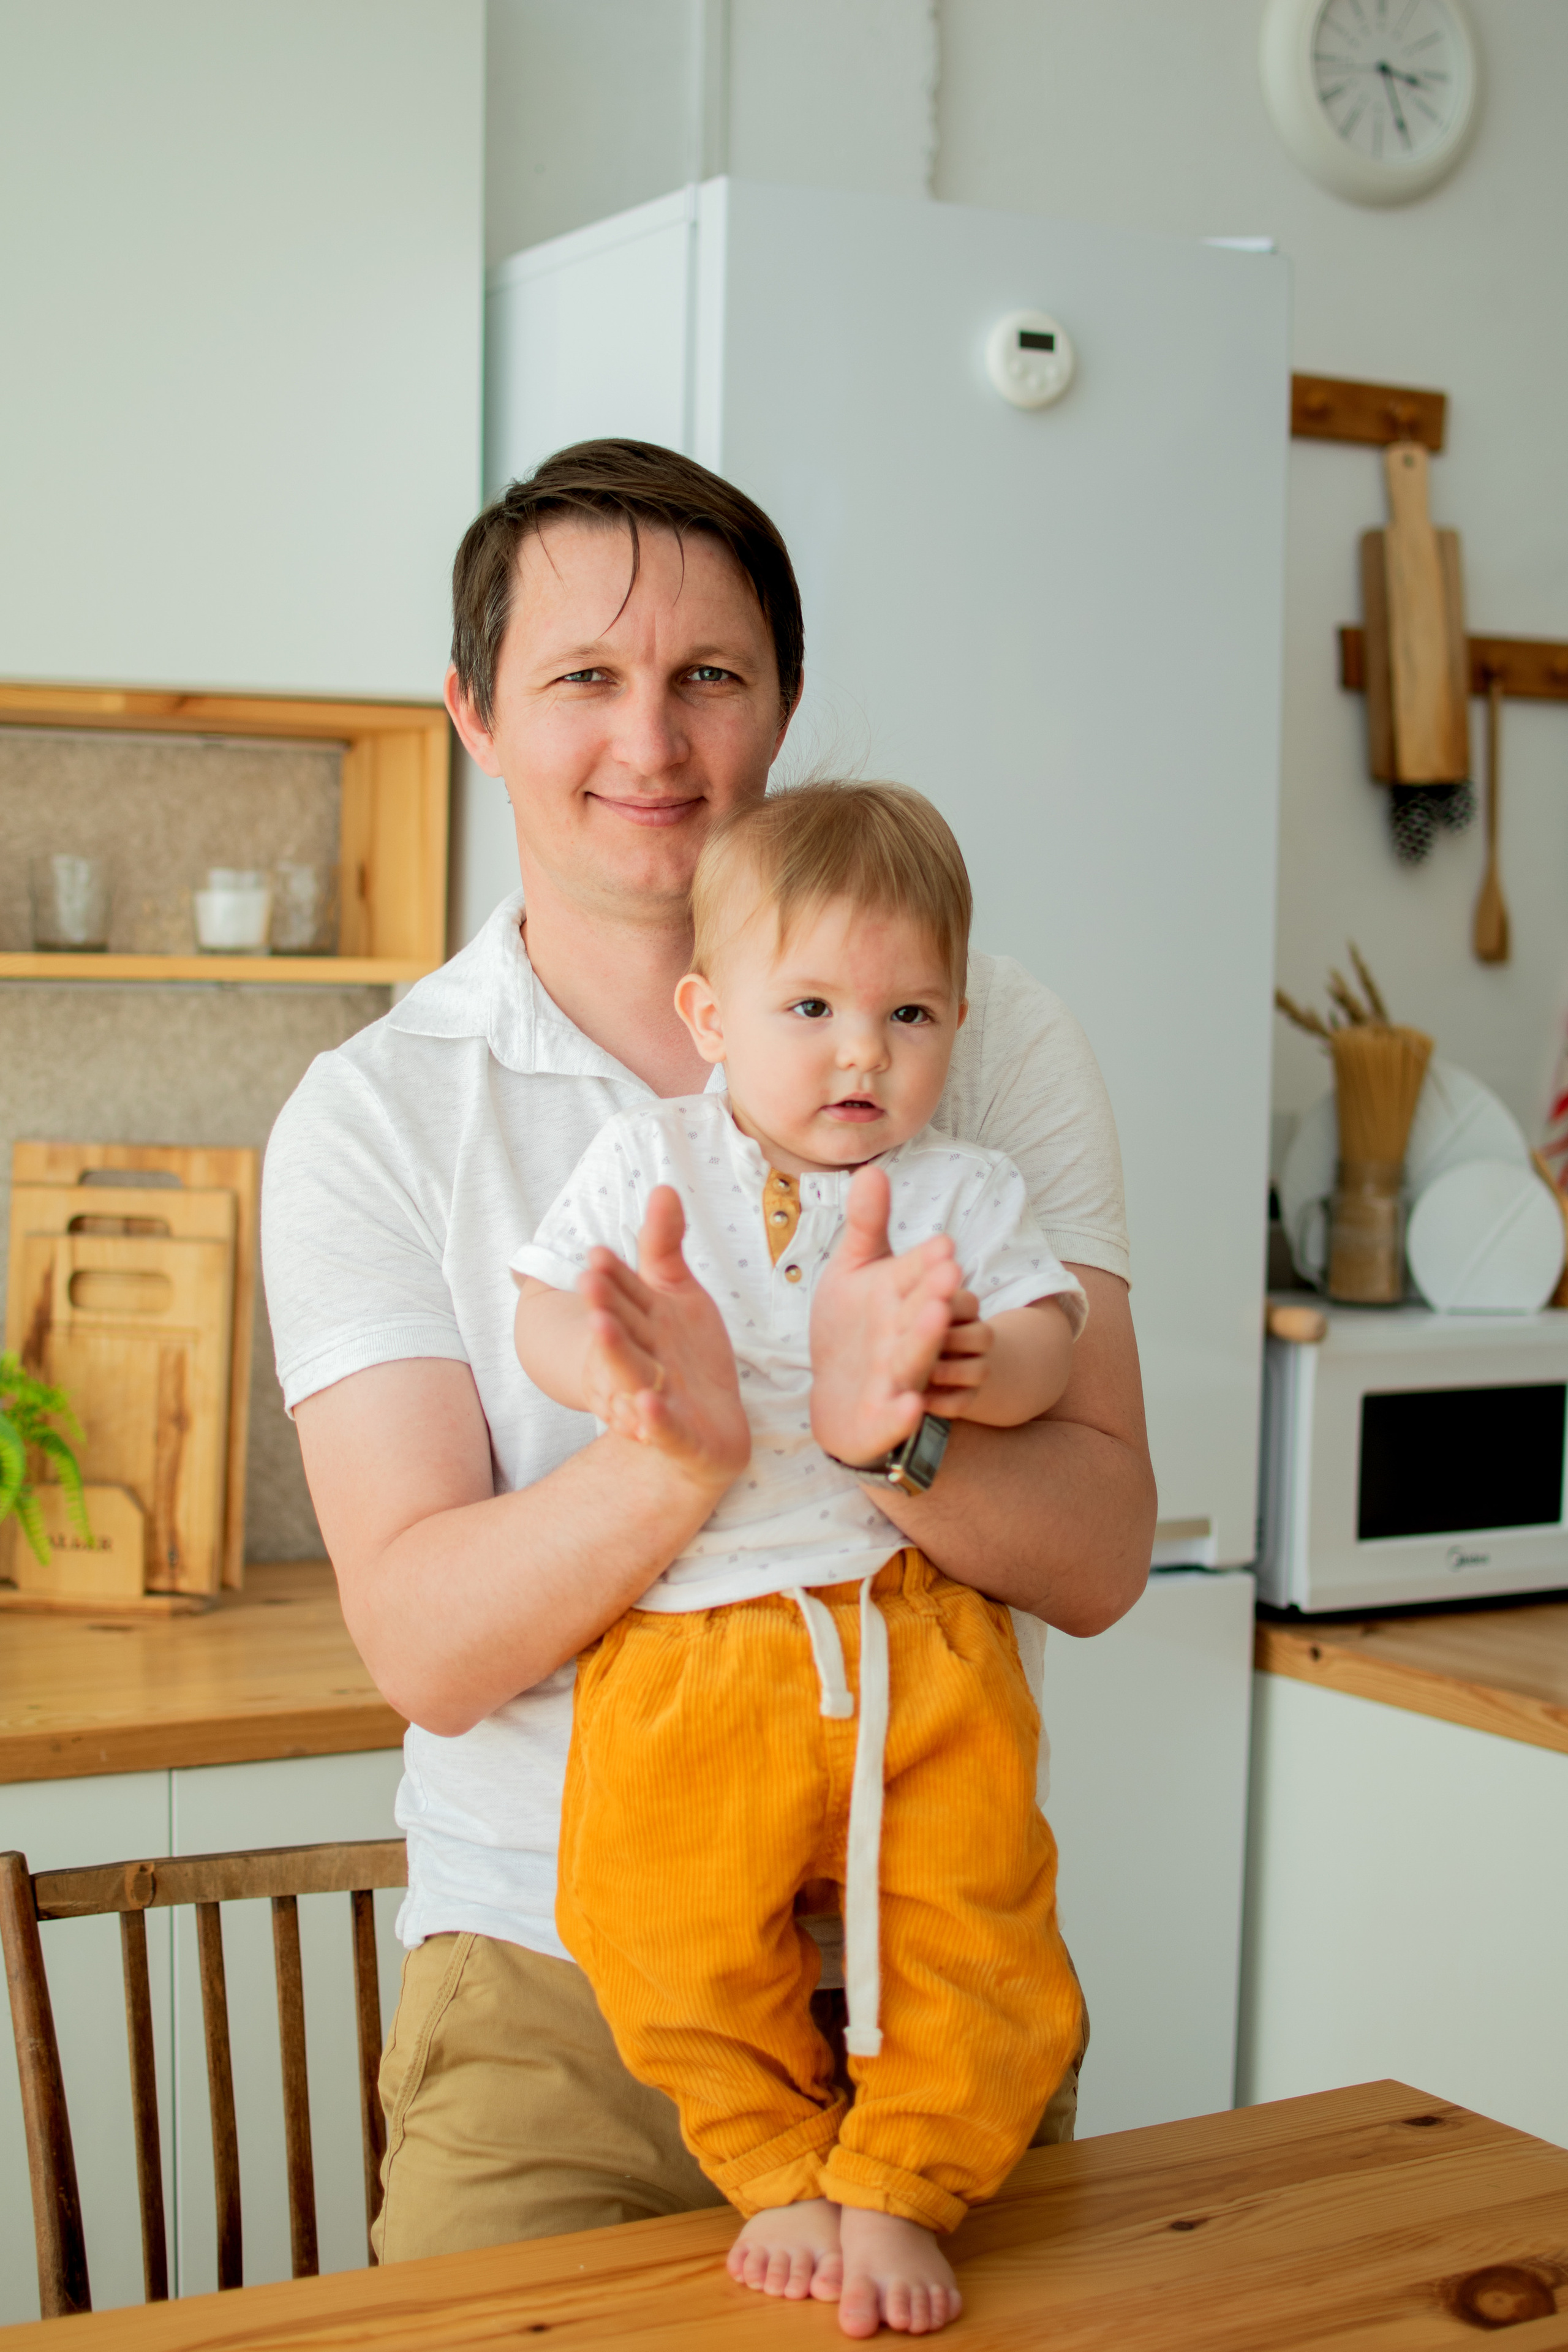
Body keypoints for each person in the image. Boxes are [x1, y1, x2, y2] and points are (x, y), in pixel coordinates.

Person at [261, 440, 1155, 2337]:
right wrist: (683, 1453)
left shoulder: (989, 1046)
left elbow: (1098, 1552)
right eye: (584, 676)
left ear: (786, 710)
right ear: (475, 715)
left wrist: (888, 1435)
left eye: (711, 677)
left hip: (928, 1971)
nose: (651, 739)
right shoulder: (377, 1114)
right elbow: (427, 1645)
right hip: (557, 1990)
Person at [512, 779, 1088, 2337]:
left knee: (978, 1913)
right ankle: (776, 2166)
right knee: (654, 1916)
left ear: (956, 1022)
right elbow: (545, 1308)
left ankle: (905, 2182)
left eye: (908, 1013)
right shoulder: (654, 1162)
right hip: (689, 1634)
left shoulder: (960, 1189)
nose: (862, 1052)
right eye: (813, 1006)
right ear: (709, 1014)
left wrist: (964, 1362)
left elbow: (1051, 1343)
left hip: (915, 1635)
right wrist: (609, 1366)